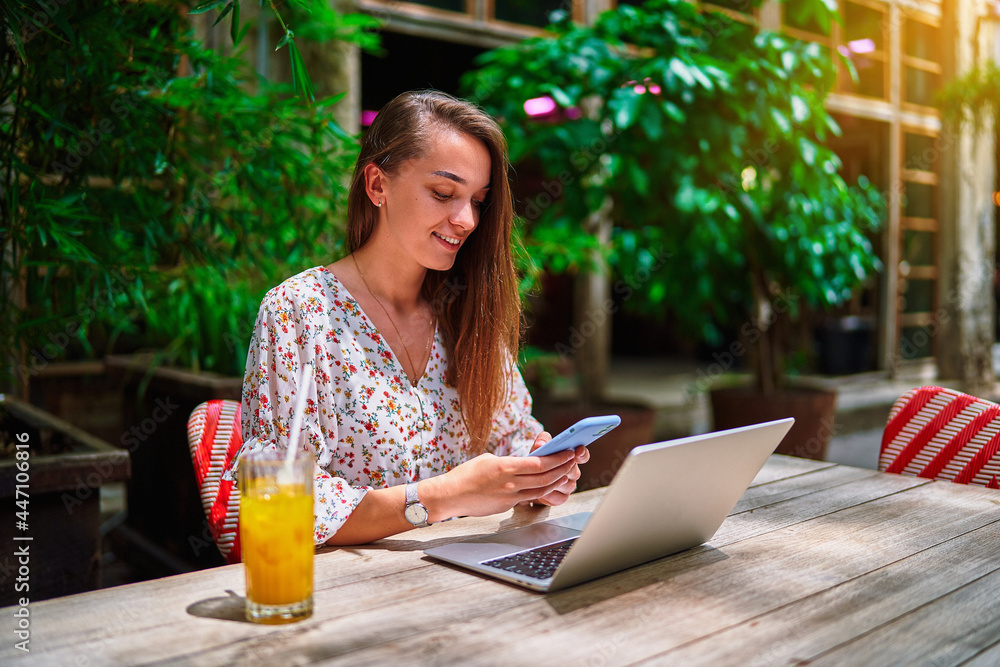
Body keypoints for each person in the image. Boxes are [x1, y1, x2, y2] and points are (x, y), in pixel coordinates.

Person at [235, 90, 589, 545]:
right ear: (377, 185)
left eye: (479, 201)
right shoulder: (301, 311)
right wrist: (442, 497)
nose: (467, 220)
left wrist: (542, 472)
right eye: (444, 193)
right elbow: (276, 496)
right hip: (349, 594)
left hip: (466, 578)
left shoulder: (463, 312)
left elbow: (513, 438)